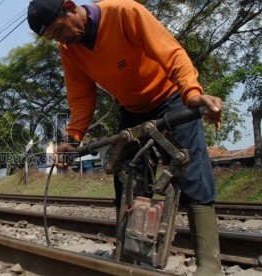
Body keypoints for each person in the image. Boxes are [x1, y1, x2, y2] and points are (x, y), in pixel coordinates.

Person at [27, 0, 222, 274]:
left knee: (192, 172)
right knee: (128, 178)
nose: (62, 39)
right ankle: (132, 258)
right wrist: (73, 137)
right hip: (132, 110)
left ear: (70, 7)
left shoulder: (123, 13)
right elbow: (81, 95)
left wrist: (190, 92)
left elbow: (171, 52)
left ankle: (210, 266)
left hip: (171, 98)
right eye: (54, 38)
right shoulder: (68, 48)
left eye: (60, 30)